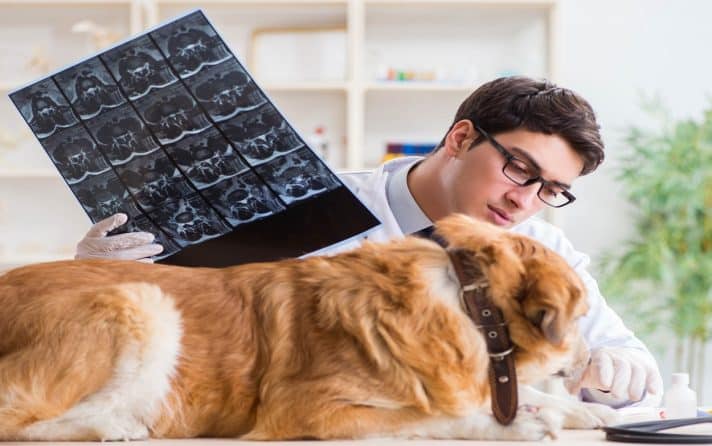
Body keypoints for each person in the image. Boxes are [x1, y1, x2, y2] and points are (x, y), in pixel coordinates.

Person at [75, 76, 662, 408]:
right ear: (460, 138)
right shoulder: (308, 208)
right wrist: (97, 274)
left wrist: (618, 368)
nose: (525, 202)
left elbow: (635, 366)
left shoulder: (541, 249)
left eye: (550, 190)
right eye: (518, 169)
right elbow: (185, 314)